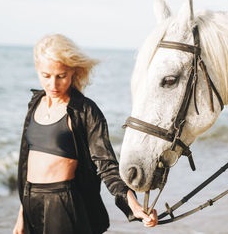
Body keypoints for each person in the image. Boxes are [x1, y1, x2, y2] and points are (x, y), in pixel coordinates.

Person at [13, 34, 158, 234]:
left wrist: (133, 205)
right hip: (31, 203)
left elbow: (106, 165)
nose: (53, 85)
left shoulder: (85, 111)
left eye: (61, 76)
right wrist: (22, 215)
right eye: (46, 76)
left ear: (74, 71)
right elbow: (27, 166)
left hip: (63, 204)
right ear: (37, 69)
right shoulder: (34, 104)